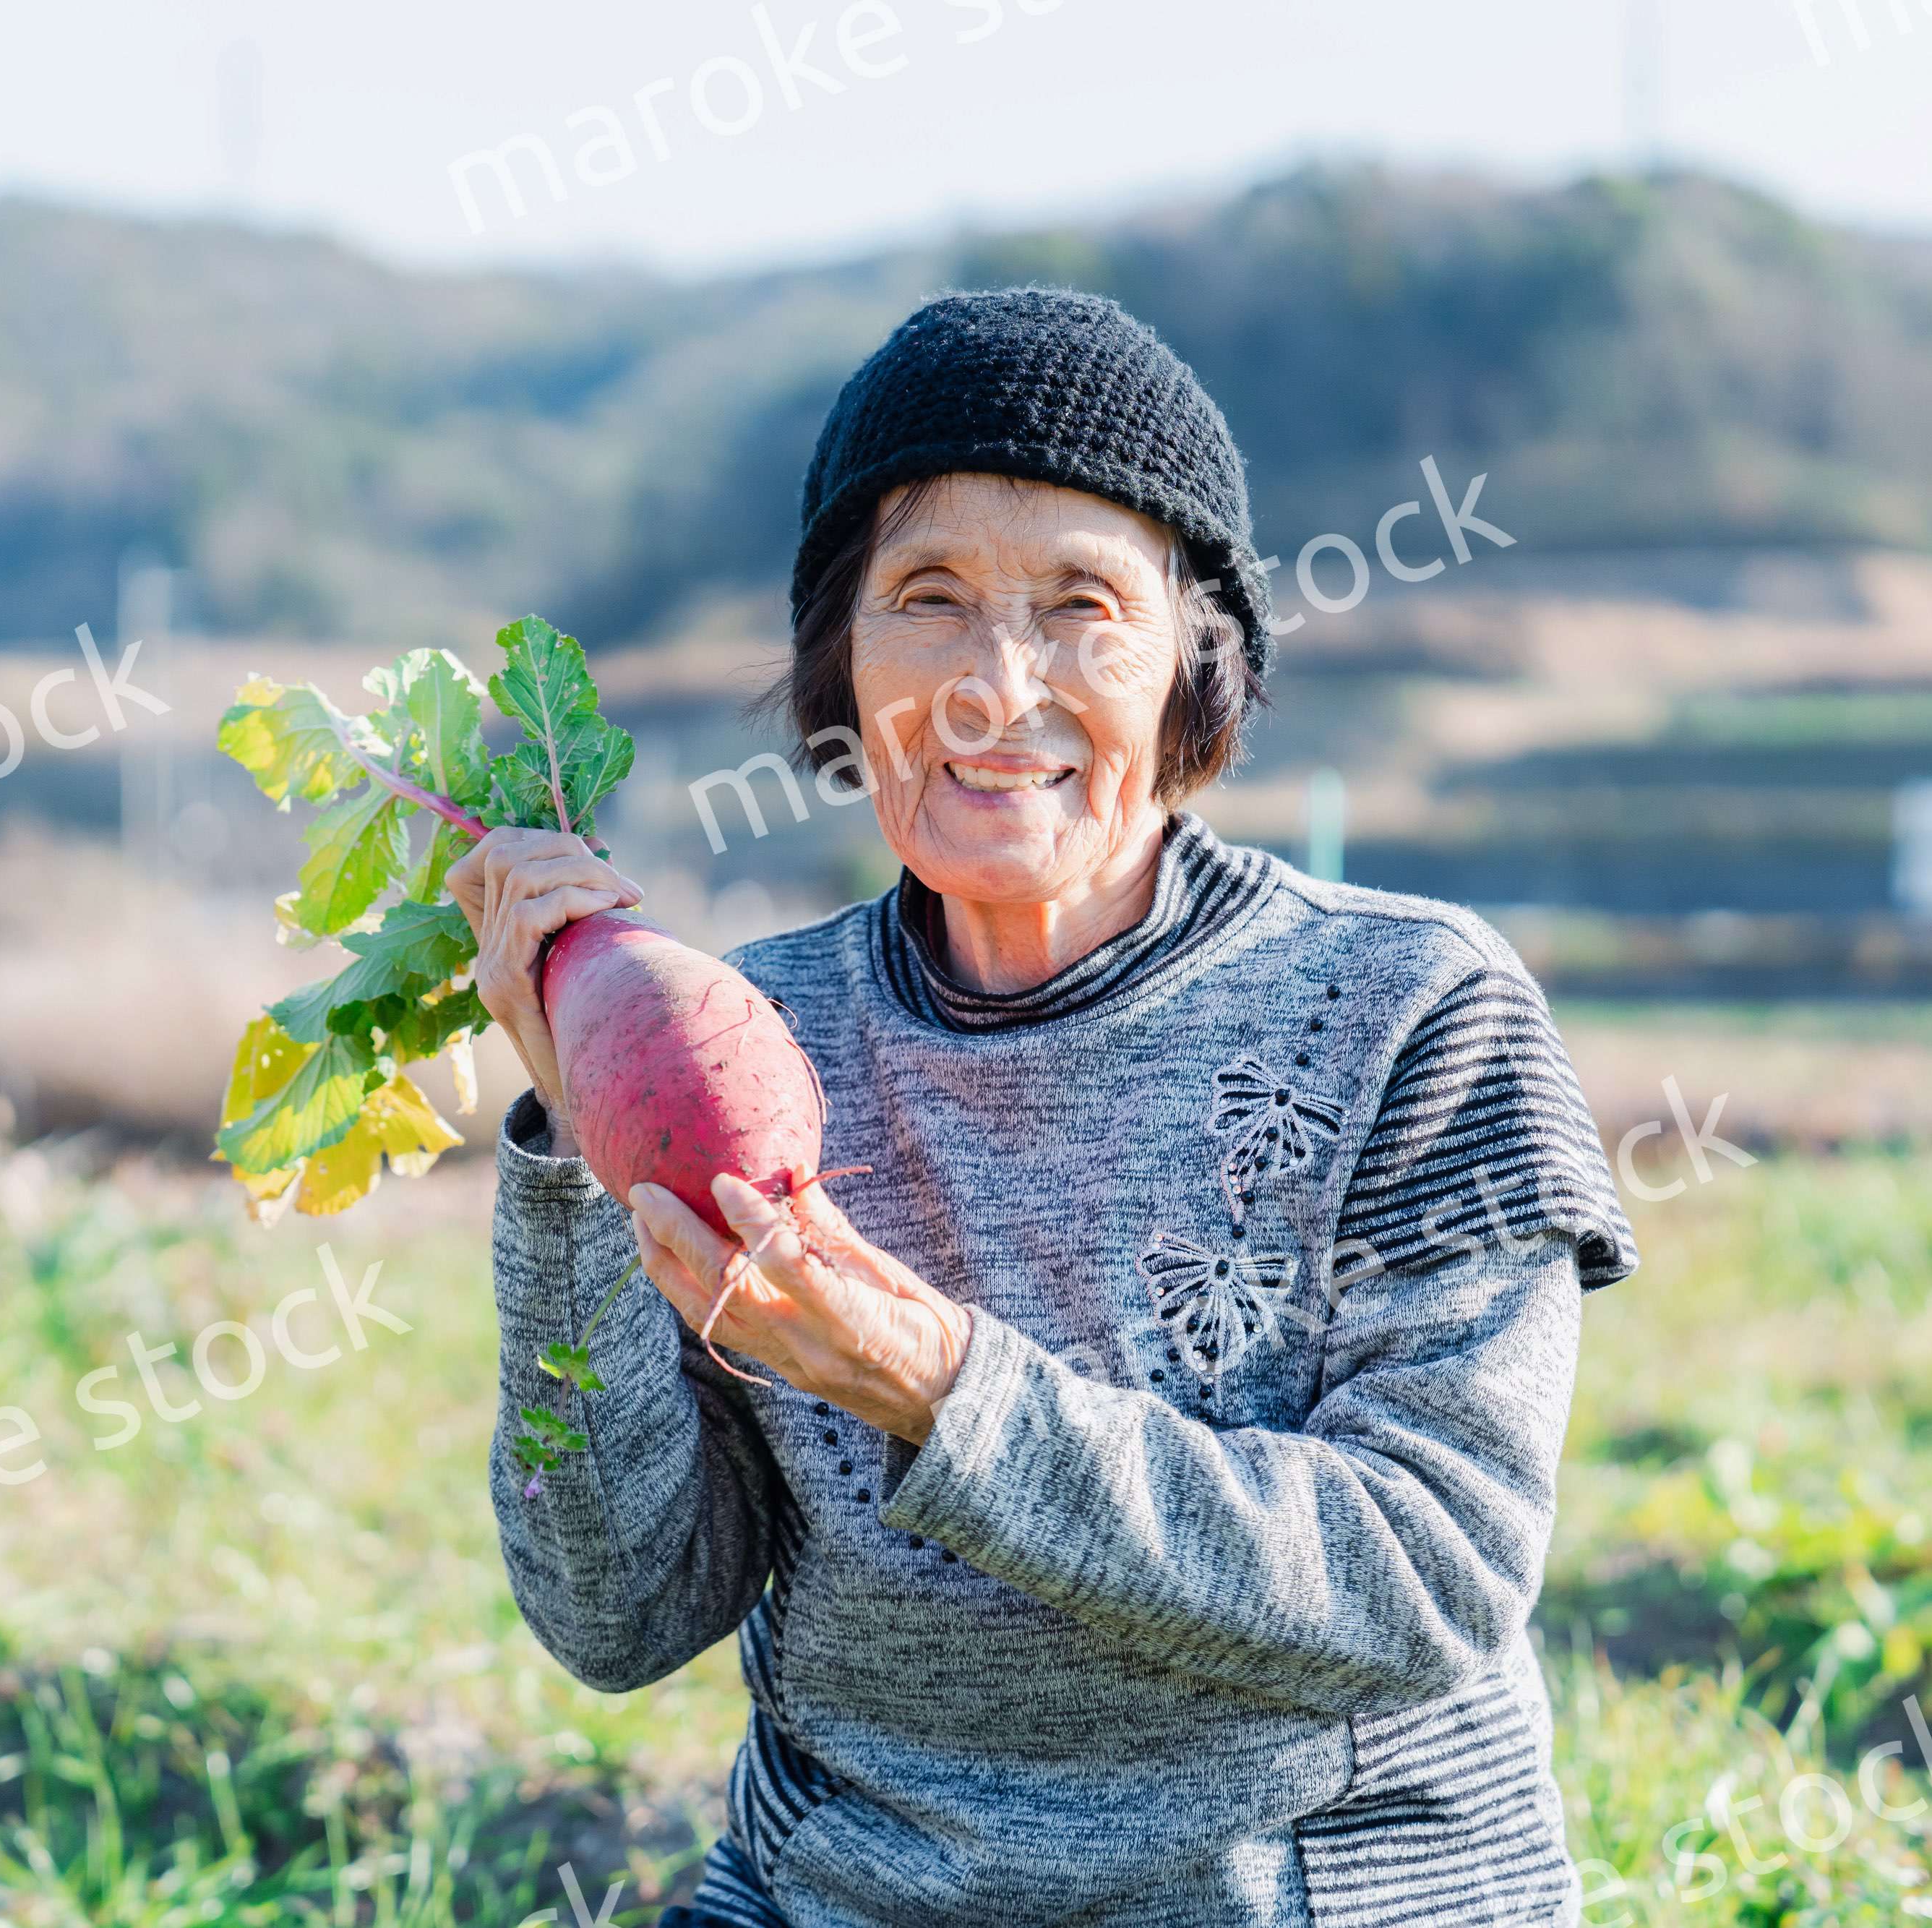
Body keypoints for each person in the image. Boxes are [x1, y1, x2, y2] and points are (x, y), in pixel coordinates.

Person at [447, 288, 1636, 1928]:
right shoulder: (758, 1037)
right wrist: (583, 1142)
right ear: (841, 662)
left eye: (1083, 605)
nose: (995, 686)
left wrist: (935, 1389)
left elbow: (1426, 1575)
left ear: (1191, 665)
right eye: (926, 599)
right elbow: (616, 1614)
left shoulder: (1411, 1010)